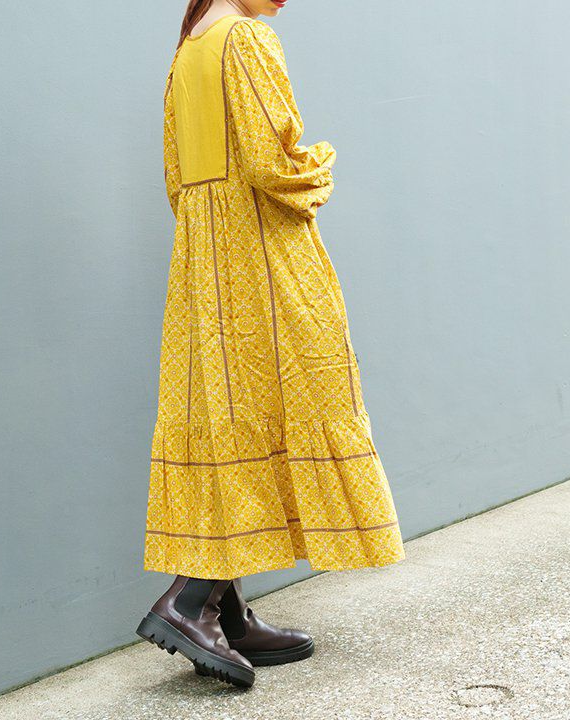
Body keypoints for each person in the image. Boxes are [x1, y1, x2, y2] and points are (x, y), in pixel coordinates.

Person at [136, 0, 406, 688]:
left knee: (230, 415)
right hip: (260, 252)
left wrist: (212, 234)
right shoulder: (247, 39)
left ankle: (225, 614)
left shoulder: (188, 49)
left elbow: (175, 179)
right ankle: (188, 603)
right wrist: (320, 169)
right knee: (297, 395)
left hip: (205, 257)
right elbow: (269, 161)